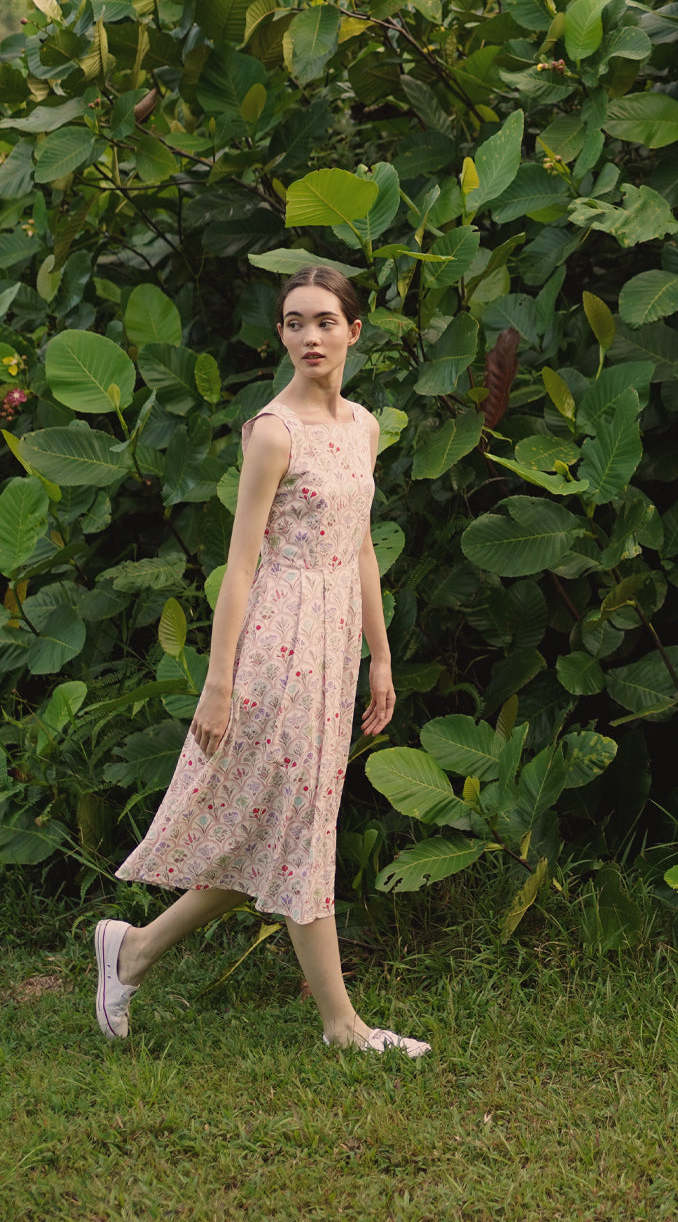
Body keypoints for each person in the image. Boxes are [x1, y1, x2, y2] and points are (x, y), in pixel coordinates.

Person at [94, 264, 430, 1058]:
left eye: (323, 321)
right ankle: (342, 1026)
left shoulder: (365, 427)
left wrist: (380, 657)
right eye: (292, 322)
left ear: (354, 329)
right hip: (278, 642)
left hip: (336, 638)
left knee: (280, 826)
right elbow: (241, 565)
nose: (308, 336)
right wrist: (218, 683)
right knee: (299, 826)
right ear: (280, 334)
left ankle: (132, 951)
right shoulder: (274, 430)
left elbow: (360, 550)